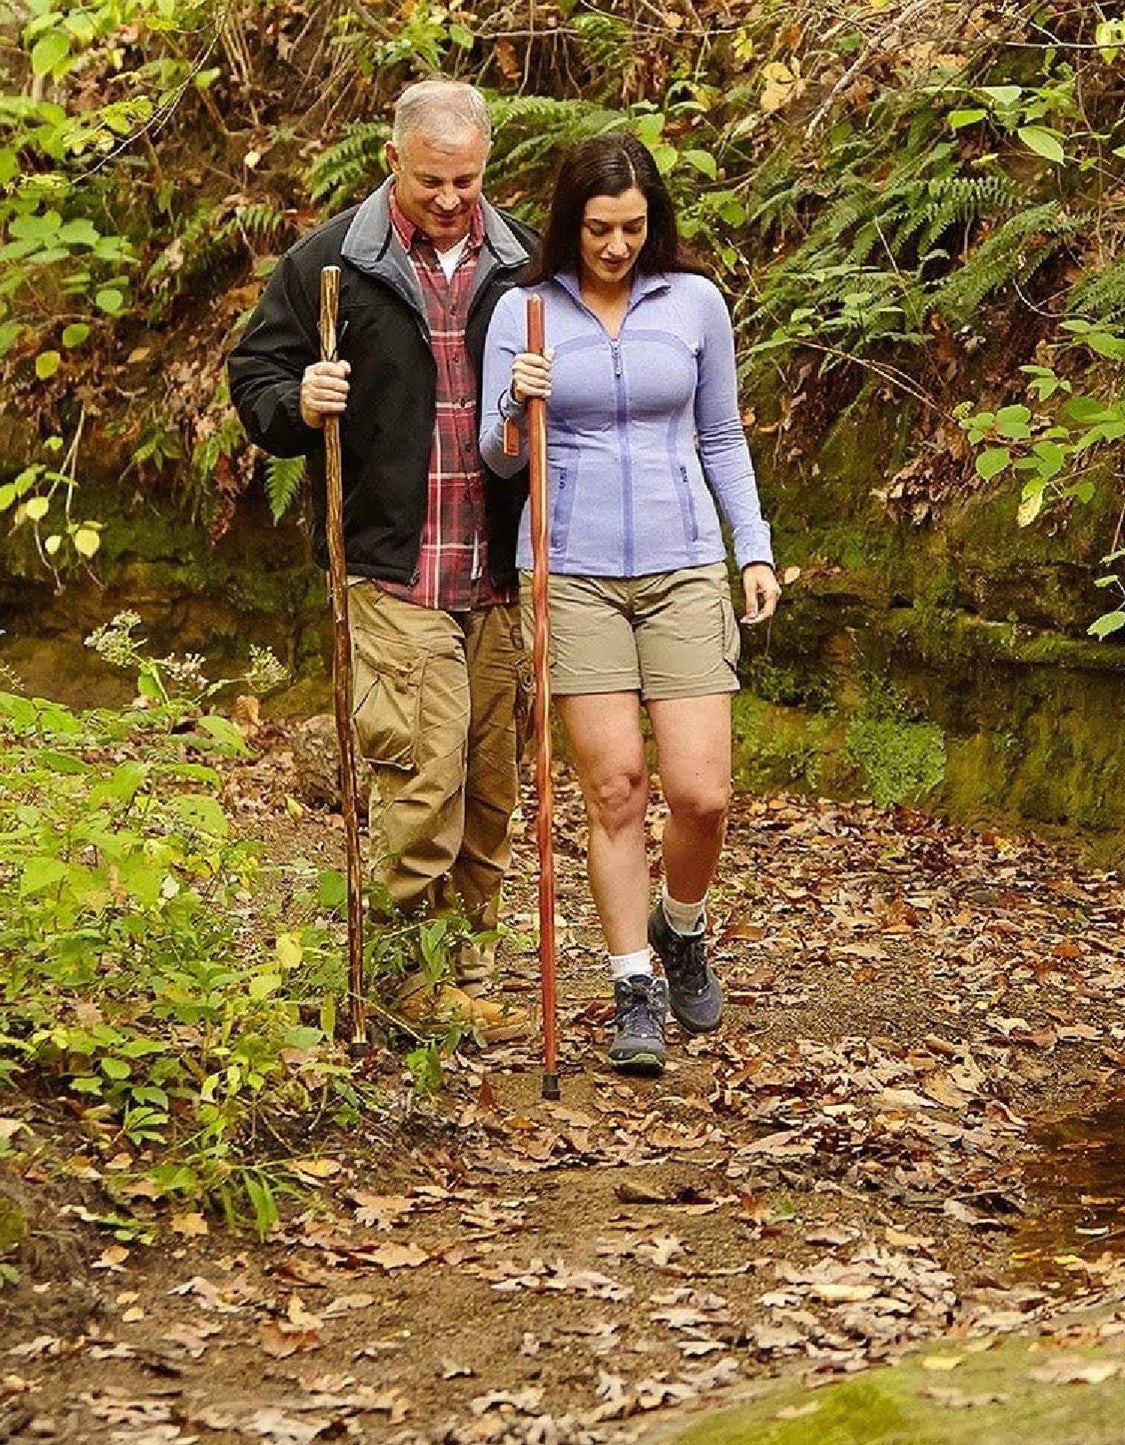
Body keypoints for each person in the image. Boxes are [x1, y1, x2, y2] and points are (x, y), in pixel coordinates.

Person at [228, 80, 535, 1037]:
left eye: (469, 180)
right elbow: (257, 373)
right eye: (434, 179)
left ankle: (464, 964)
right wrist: (299, 401)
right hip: (391, 564)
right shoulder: (333, 260)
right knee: (422, 774)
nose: (453, 199)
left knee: (491, 783)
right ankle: (398, 981)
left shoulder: (521, 260)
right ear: (392, 161)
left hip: (496, 566)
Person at [480, 133, 782, 1075]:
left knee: (702, 792)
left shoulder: (692, 303)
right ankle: (631, 985)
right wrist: (511, 410)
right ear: (570, 224)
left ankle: (680, 925)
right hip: (570, 572)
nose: (616, 246)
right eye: (600, 229)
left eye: (633, 228)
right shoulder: (522, 311)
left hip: (683, 563)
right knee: (613, 790)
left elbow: (722, 434)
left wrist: (754, 550)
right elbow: (500, 459)